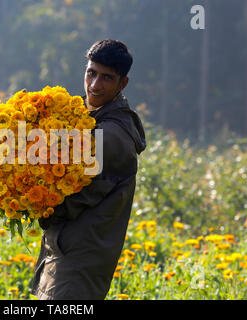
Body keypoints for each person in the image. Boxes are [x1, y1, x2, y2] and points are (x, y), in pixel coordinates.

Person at [30, 39, 147, 300]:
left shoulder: (110, 136)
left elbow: (68, 201)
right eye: (91, 73)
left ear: (122, 84)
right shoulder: (88, 120)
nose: (94, 85)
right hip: (66, 252)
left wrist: (25, 196)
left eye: (106, 78)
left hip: (79, 263)